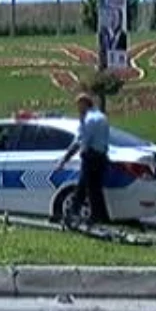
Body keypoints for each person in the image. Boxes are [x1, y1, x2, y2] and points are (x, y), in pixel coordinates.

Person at [54, 93, 111, 226]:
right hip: (102, 157)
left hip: (91, 157)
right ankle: (99, 216)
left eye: (79, 105)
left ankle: (76, 214)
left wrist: (65, 159)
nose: (78, 108)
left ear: (85, 104)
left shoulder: (89, 120)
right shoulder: (102, 117)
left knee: (86, 188)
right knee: (93, 188)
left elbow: (81, 142)